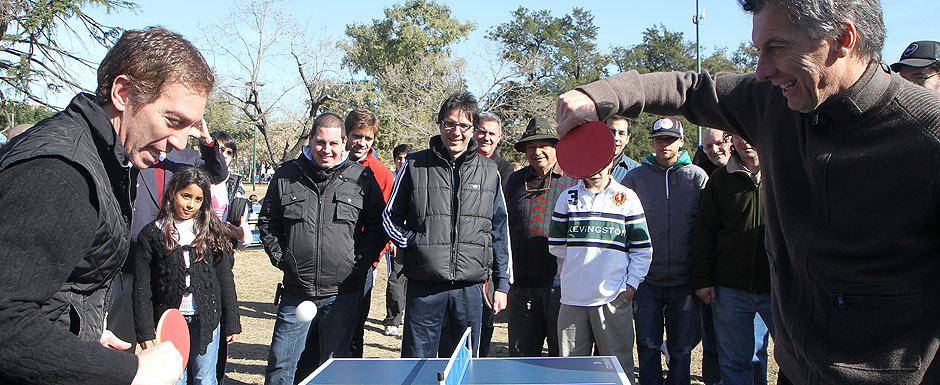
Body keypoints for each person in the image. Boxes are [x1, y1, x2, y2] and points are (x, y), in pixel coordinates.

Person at [555, 1, 940, 382]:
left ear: (842, 38)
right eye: (758, 51)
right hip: (795, 370)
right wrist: (598, 95)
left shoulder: (928, 134)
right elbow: (691, 89)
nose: (761, 72)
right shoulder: (774, 104)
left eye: (776, 48)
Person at [0, 26, 216, 385]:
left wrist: (78, 331)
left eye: (190, 127)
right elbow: (6, 320)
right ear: (122, 92)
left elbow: (47, 290)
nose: (180, 142)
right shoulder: (60, 172)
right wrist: (131, 370)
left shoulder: (104, 158)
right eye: (173, 121)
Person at [259, 113, 387, 384]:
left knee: (333, 371)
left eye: (332, 143)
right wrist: (284, 260)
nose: (326, 150)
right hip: (296, 292)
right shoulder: (286, 175)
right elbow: (268, 222)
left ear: (343, 143)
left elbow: (378, 225)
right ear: (310, 140)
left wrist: (359, 263)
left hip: (342, 295)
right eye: (320, 142)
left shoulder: (361, 177)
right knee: (280, 367)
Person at [383, 91, 511, 358]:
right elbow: (389, 217)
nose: (456, 131)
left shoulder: (489, 172)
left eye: (464, 125)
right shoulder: (414, 165)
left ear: (473, 129)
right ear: (440, 124)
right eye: (449, 124)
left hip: (470, 289)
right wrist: (417, 243)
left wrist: (502, 284)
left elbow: (499, 231)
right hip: (424, 287)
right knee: (417, 367)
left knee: (464, 366)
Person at [132, 167, 241, 385]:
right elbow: (142, 288)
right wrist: (145, 331)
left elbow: (224, 279)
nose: (191, 204)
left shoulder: (210, 233)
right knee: (175, 379)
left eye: (198, 199)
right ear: (172, 193)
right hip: (171, 321)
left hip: (206, 319)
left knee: (205, 377)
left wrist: (231, 321)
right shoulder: (152, 234)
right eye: (186, 196)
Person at [548, 157, 651, 385]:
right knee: (571, 373)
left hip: (613, 299)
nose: (595, 170)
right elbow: (556, 246)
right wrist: (583, 260)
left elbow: (642, 250)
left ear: (611, 163)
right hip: (572, 300)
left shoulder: (627, 198)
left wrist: (630, 286)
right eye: (589, 164)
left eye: (601, 163)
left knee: (617, 372)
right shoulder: (567, 197)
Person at [621, 117, 707, 385]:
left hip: (685, 283)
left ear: (682, 142)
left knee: (681, 350)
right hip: (647, 282)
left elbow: (707, 229)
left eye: (670, 139)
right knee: (647, 346)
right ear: (653, 143)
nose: (664, 145)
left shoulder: (696, 178)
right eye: (660, 139)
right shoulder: (636, 178)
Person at [691, 135, 775, 385]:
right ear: (731, 140)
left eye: (752, 132)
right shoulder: (720, 180)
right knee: (734, 363)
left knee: (791, 358)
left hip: (778, 288)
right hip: (731, 290)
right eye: (740, 134)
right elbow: (704, 232)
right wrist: (703, 279)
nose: (747, 140)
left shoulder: (786, 169)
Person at [504, 117, 576, 357]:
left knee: (561, 355)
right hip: (522, 286)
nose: (537, 152)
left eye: (544, 145)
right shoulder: (514, 181)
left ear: (556, 147)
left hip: (561, 286)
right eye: (531, 146)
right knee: (521, 355)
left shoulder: (573, 181)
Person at [343, 108, 395, 358]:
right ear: (346, 135)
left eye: (368, 138)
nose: (361, 143)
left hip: (362, 264)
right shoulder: (332, 162)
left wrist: (371, 259)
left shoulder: (381, 173)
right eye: (356, 136)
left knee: (354, 328)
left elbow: (386, 221)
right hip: (327, 261)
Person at [383, 143, 413, 337]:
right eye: (399, 158)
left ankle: (407, 316)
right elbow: (389, 213)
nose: (402, 161)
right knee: (395, 279)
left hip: (416, 242)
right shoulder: (391, 179)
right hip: (396, 242)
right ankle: (392, 319)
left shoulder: (416, 177)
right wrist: (392, 239)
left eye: (405, 158)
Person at [607, 115, 640, 182]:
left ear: (627, 138)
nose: (616, 138)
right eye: (612, 132)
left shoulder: (636, 171)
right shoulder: (585, 165)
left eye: (621, 133)